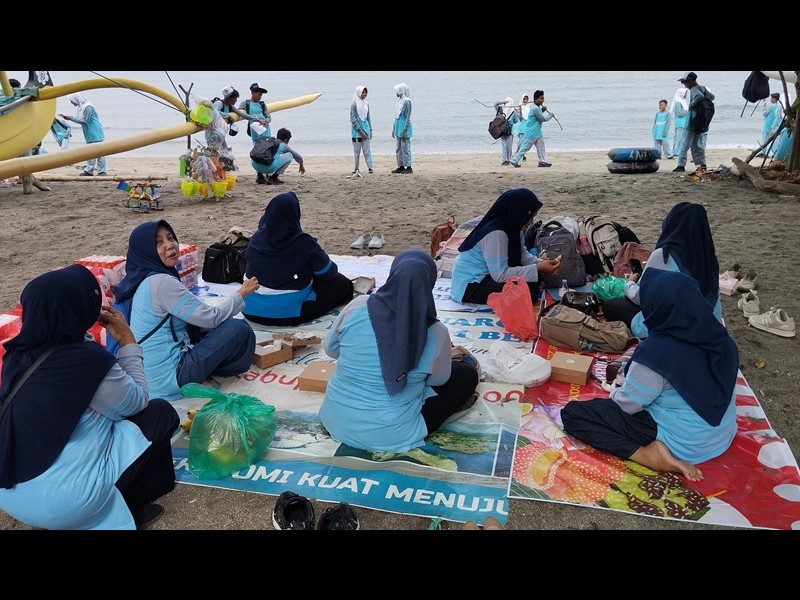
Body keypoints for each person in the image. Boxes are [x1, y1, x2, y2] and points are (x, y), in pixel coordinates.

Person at [0, 264, 180, 529]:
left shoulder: (17, 354)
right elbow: (138, 400)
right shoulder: (84, 361)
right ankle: (127, 503)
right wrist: (127, 341)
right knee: (160, 413)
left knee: (99, 419)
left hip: (12, 495)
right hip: (64, 505)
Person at [560, 268, 739, 482]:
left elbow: (628, 405)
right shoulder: (721, 338)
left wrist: (616, 389)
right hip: (721, 435)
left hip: (686, 444)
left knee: (574, 414)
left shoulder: (656, 353)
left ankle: (647, 455)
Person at [319, 249, 480, 453]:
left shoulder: (357, 305)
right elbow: (438, 381)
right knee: (466, 375)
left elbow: (331, 350)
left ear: (392, 275)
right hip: (390, 435)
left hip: (335, 419)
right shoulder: (436, 332)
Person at [112, 220, 258, 402]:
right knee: (238, 328)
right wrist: (242, 293)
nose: (169, 245)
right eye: (158, 242)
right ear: (146, 251)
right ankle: (209, 373)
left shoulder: (142, 277)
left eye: (170, 238)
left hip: (147, 377)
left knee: (207, 328)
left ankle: (207, 368)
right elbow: (211, 317)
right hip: (171, 378)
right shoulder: (161, 282)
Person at [602, 201, 722, 339]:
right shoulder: (709, 258)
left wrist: (629, 284)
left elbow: (641, 298)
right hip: (708, 322)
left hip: (672, 325)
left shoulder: (664, 255)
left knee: (610, 306)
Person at [242, 191, 354, 326]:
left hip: (249, 308)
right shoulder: (303, 242)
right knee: (343, 284)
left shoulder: (256, 238)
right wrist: (315, 253)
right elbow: (328, 272)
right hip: (286, 314)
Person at [450, 188, 562, 305]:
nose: (531, 222)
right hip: (471, 286)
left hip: (489, 276)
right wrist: (538, 268)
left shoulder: (513, 227)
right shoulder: (496, 233)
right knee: (523, 289)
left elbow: (522, 255)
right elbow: (500, 275)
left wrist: (541, 264)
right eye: (530, 216)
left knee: (529, 283)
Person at [672, 72, 714, 173]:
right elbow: (712, 97)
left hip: (691, 121)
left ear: (690, 81)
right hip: (700, 121)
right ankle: (702, 165)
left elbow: (699, 96)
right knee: (697, 144)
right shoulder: (703, 88)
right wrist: (705, 99)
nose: (684, 85)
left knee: (685, 143)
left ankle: (681, 165)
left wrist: (691, 104)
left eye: (685, 82)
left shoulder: (694, 89)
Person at [59, 93, 106, 176]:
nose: (71, 102)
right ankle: (89, 170)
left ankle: (102, 171)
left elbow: (85, 120)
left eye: (72, 100)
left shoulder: (88, 107)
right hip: (89, 132)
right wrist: (70, 118)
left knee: (100, 152)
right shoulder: (81, 108)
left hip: (95, 130)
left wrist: (71, 118)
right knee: (91, 151)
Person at [510, 90, 553, 168]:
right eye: (541, 99)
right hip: (531, 132)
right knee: (525, 147)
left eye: (543, 98)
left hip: (537, 132)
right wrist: (550, 115)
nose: (542, 100)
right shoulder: (534, 108)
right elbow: (542, 119)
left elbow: (538, 114)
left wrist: (542, 110)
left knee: (541, 147)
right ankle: (514, 160)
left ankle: (542, 161)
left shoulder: (537, 107)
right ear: (536, 99)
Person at [239, 83, 271, 183]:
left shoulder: (262, 104)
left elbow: (269, 117)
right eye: (259, 94)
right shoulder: (246, 103)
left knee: (267, 152)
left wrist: (265, 121)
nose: (260, 96)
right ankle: (259, 174)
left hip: (265, 130)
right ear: (253, 92)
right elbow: (239, 112)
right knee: (257, 153)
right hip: (255, 132)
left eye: (261, 95)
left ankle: (268, 173)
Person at [350, 85, 374, 176]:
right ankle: (356, 168)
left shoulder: (366, 103)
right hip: (357, 132)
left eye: (365, 92)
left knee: (367, 151)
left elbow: (368, 117)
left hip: (366, 130)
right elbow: (353, 119)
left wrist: (370, 130)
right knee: (357, 152)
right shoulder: (354, 104)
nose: (364, 94)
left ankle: (370, 167)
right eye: (362, 92)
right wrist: (360, 131)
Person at [391, 83, 413, 174]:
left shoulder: (407, 102)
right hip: (398, 127)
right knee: (398, 148)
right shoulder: (398, 101)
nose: (396, 92)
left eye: (397, 91)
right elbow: (396, 116)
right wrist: (394, 128)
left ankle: (409, 167)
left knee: (405, 148)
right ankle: (400, 166)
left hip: (404, 128)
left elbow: (407, 117)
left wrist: (404, 130)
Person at [494, 97, 519, 166]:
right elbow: (516, 121)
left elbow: (495, 104)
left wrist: (502, 102)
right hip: (509, 131)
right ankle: (507, 159)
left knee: (504, 146)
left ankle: (505, 160)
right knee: (508, 146)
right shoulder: (512, 111)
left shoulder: (501, 109)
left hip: (502, 130)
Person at [670, 87, 690, 162]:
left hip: (683, 122)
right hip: (680, 123)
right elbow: (679, 114)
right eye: (685, 93)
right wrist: (687, 111)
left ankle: (678, 151)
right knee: (678, 137)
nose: (686, 95)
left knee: (682, 138)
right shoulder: (678, 103)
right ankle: (675, 151)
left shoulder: (683, 102)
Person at [759, 92, 782, 157]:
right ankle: (770, 152)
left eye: (771, 98)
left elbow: (764, 114)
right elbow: (777, 118)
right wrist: (773, 126)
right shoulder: (779, 107)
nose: (771, 99)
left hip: (768, 124)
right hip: (773, 125)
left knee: (764, 138)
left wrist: (764, 107)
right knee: (771, 140)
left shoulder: (771, 106)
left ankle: (763, 152)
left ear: (774, 99)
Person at [512, 93, 530, 160]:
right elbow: (521, 118)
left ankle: (521, 155)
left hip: (528, 128)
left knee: (524, 143)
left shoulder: (529, 107)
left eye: (526, 99)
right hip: (522, 128)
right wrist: (520, 110)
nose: (525, 100)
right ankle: (517, 154)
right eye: (524, 99)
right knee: (521, 142)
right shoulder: (520, 107)